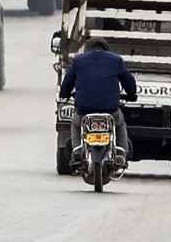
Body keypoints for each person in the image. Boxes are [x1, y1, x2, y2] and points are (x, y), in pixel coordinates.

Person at [58, 37, 137, 166]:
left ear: (88, 48)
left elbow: (67, 82)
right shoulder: (116, 60)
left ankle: (77, 149)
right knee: (120, 124)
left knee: (76, 124)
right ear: (106, 48)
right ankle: (122, 153)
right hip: (110, 111)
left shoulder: (78, 60)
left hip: (84, 111)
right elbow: (129, 81)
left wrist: (64, 94)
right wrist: (132, 95)